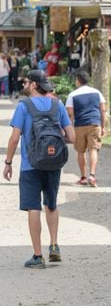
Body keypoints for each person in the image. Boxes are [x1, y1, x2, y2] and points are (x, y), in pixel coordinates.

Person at [3, 70, 75, 268]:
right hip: (53, 163)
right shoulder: (57, 104)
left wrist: (8, 162)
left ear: (34, 85)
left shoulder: (23, 106)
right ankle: (54, 246)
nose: (24, 84)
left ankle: (37, 255)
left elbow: (15, 138)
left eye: (26, 81)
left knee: (33, 207)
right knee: (51, 204)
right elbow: (72, 137)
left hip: (30, 165)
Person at [66, 71, 106, 187]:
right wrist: (102, 126)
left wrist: (71, 128)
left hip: (80, 125)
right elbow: (102, 110)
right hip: (94, 123)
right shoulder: (97, 93)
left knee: (80, 151)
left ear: (78, 80)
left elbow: (70, 114)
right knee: (93, 150)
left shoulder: (72, 95)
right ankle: (92, 175)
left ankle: (83, 177)